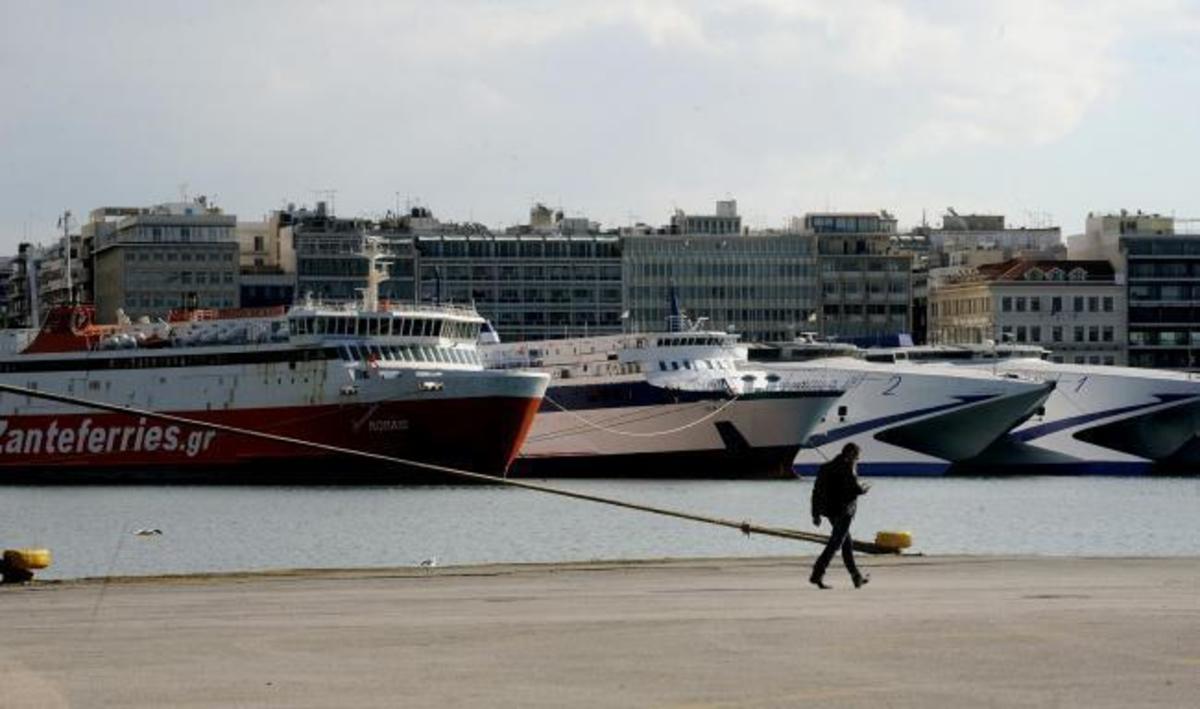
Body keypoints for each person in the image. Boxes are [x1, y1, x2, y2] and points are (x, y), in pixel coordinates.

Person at [809, 442, 871, 590]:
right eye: (857, 457)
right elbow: (855, 488)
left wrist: (815, 514)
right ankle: (817, 574)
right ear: (850, 455)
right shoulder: (848, 467)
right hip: (844, 512)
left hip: (830, 511)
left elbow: (816, 492)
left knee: (846, 543)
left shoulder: (825, 467)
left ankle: (856, 577)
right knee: (836, 543)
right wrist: (865, 488)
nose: (857, 460)